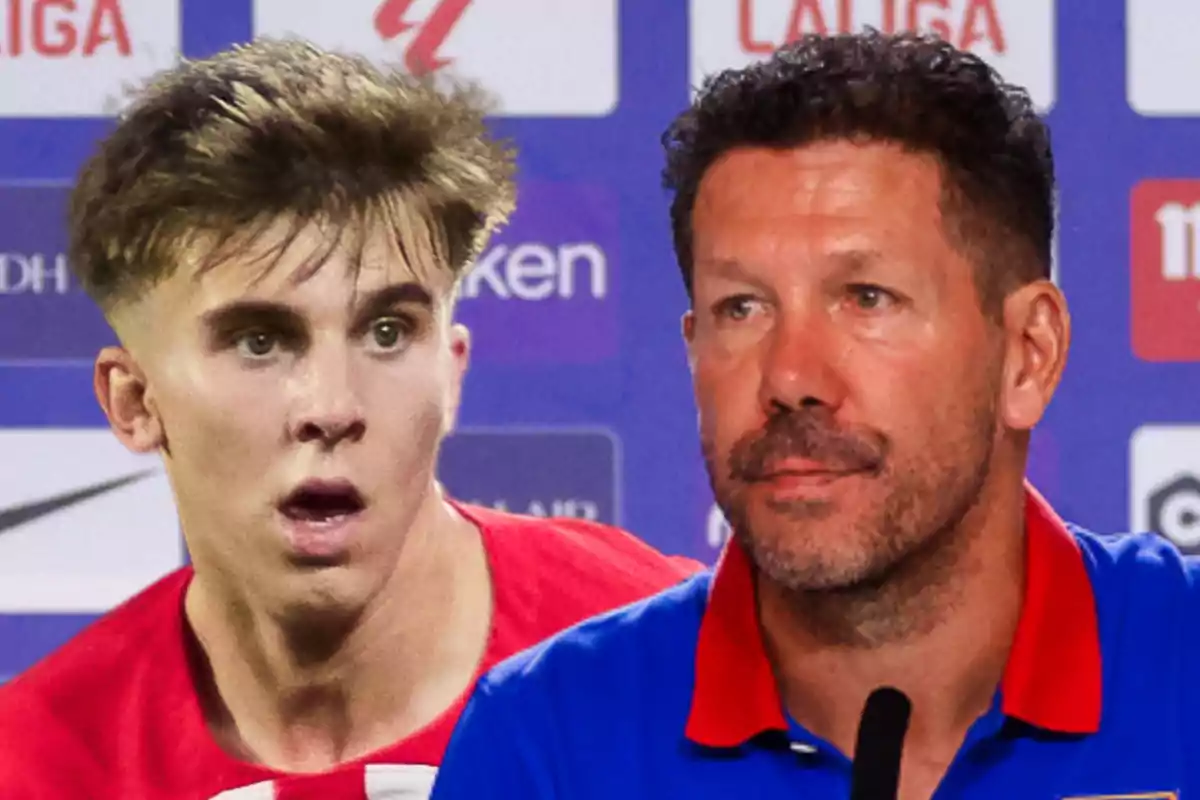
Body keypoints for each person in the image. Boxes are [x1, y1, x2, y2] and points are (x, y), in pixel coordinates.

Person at [429, 30, 1200, 799]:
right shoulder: (547, 740)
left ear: (1027, 354)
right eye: (742, 307)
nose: (791, 377)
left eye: (867, 299)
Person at [0, 38, 701, 798]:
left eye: (388, 332)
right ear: (135, 403)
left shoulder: (669, 663)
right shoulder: (36, 762)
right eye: (260, 341)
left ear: (452, 369)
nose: (332, 408)